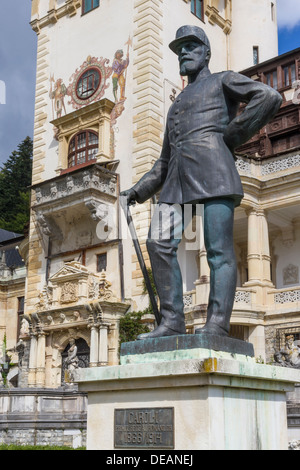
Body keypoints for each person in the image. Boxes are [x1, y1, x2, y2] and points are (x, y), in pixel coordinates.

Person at [121, 25, 282, 340]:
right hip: (176, 185)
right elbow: (164, 161)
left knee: (218, 250)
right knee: (157, 242)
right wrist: (138, 190)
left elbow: (268, 96)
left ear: (206, 52)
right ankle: (171, 322)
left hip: (215, 176)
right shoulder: (176, 105)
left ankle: (217, 324)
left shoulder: (223, 79)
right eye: (179, 48)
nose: (183, 52)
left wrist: (233, 134)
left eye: (190, 46)